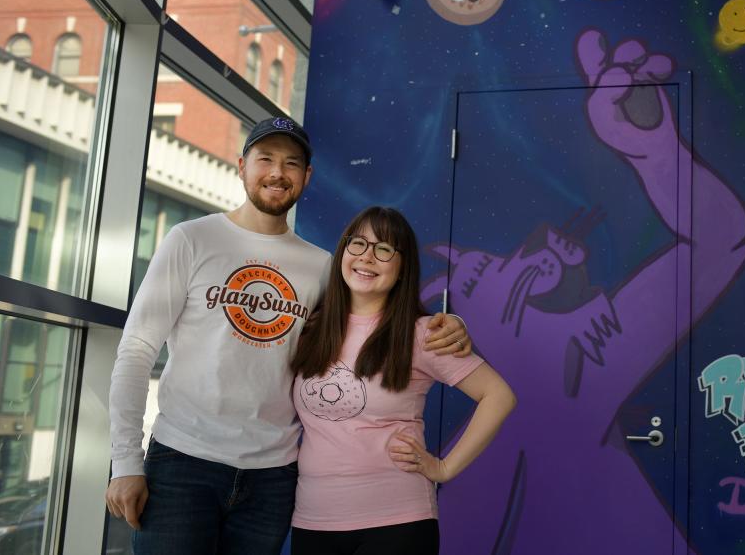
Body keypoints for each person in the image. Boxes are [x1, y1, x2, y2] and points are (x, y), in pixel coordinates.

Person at [105, 117, 472, 555]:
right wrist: (125, 462)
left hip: (274, 475)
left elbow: (375, 318)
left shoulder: (321, 267)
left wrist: (447, 323)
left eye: (291, 163)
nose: (278, 172)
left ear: (306, 177)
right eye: (265, 159)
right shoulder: (191, 240)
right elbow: (136, 350)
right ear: (242, 166)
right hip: (184, 462)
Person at [290, 206, 516, 555]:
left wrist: (443, 468)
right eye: (358, 244)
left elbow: (498, 396)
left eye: (384, 249)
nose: (367, 257)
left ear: (401, 268)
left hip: (396, 523)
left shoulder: (423, 334)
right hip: (313, 520)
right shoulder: (310, 328)